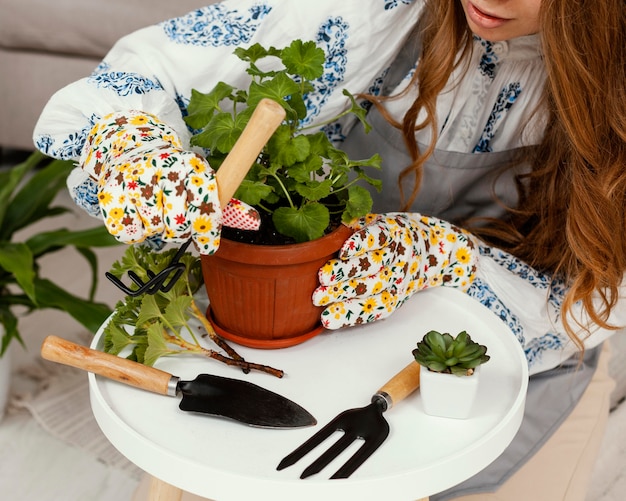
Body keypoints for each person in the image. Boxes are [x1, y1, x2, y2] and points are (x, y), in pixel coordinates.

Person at [33, 1, 625, 499]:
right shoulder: (377, 13)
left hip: (516, 365)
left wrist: (442, 259)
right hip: (316, 348)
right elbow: (143, 77)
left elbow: (604, 299)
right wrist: (129, 148)